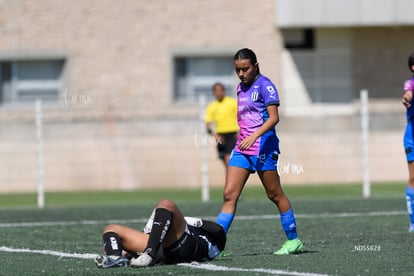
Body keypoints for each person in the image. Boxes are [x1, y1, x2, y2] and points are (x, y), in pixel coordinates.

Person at [215, 48, 303, 255]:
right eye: (238, 70)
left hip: (263, 147)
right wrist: (243, 138)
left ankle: (294, 240)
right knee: (229, 195)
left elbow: (274, 118)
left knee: (274, 194)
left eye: (245, 69)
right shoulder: (239, 88)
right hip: (242, 149)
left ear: (256, 66)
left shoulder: (266, 86)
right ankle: (215, 245)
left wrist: (254, 136)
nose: (242, 74)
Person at [95, 198, 226, 268]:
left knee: (166, 203)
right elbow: (219, 230)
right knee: (111, 228)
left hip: (182, 247)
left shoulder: (208, 242)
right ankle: (115, 258)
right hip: (164, 248)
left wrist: (190, 221)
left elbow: (218, 229)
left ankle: (149, 253)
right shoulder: (213, 246)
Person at [205, 83, 239, 169]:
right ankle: (230, 180)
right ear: (213, 93)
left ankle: (232, 181)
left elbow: (240, 118)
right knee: (224, 161)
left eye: (220, 90)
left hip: (232, 134)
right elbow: (208, 125)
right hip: (220, 136)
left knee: (229, 159)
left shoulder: (232, 102)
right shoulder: (212, 106)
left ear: (224, 91)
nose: (218, 93)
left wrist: (240, 131)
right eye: (216, 91)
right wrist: (215, 135)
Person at [401, 52, 414, 233]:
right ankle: (413, 221)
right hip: (412, 135)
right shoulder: (410, 83)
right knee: (413, 177)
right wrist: (406, 99)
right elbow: (408, 94)